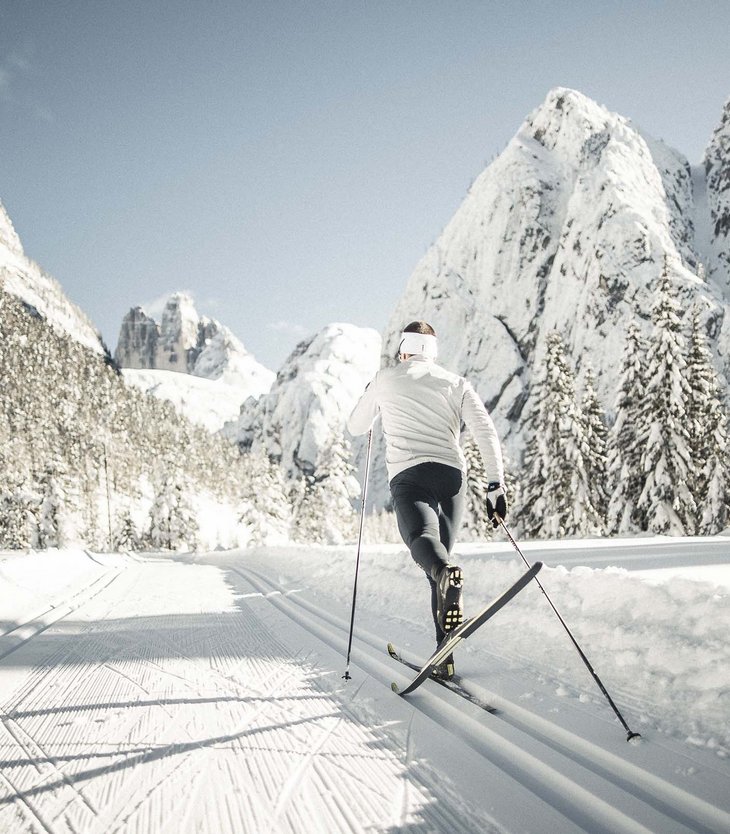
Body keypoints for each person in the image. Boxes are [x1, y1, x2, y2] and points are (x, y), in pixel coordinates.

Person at [347, 321, 507, 680]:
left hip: (411, 477)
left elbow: (356, 426)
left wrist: (372, 392)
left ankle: (444, 626)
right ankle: (444, 654)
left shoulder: (386, 377)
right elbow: (484, 430)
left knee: (426, 549)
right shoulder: (456, 383)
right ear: (433, 352)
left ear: (404, 349)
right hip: (452, 477)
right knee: (441, 563)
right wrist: (495, 485)